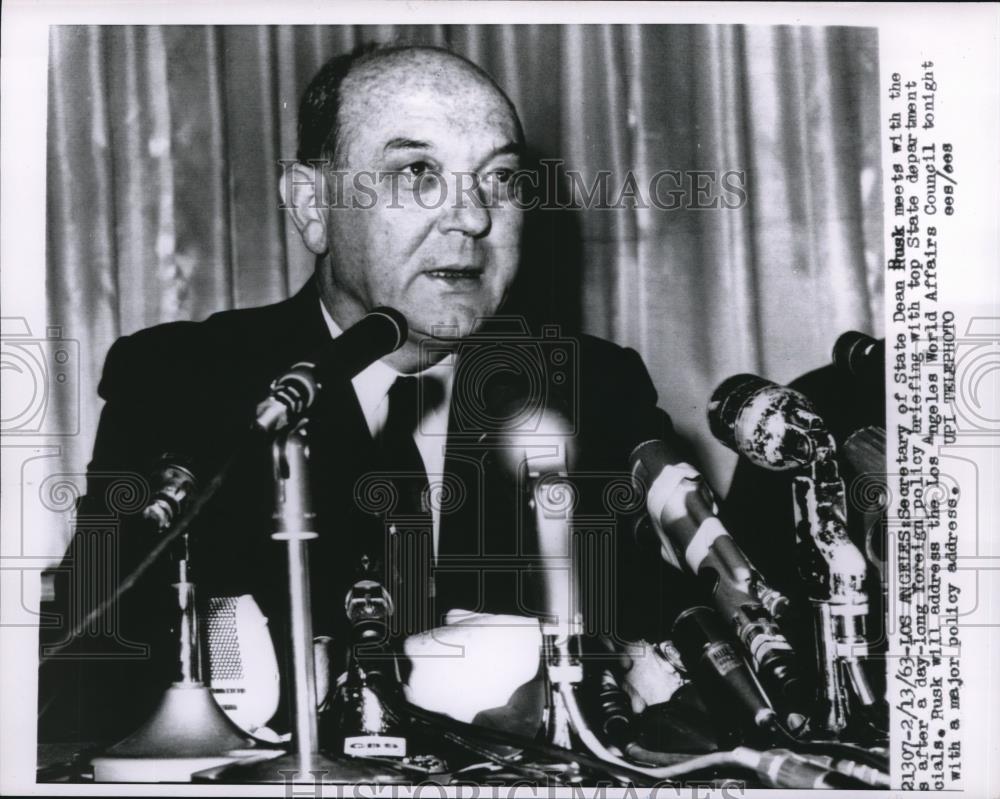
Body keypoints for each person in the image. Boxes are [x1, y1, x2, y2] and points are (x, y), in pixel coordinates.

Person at [38, 44, 681, 746]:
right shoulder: (186, 383)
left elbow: (681, 655)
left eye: (500, 178)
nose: (473, 218)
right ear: (311, 205)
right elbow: (89, 674)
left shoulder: (593, 391)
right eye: (418, 173)